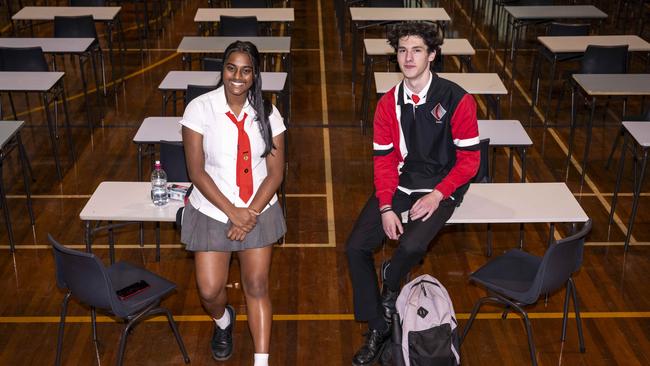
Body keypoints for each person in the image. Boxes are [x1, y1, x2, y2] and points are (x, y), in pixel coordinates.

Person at [346, 22, 480, 365]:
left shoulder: (458, 99)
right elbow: (384, 161)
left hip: (443, 184)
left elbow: (469, 162)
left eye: (417, 50)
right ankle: (379, 325)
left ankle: (391, 280)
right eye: (403, 50)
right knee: (356, 246)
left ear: (432, 55)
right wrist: (387, 205)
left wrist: (438, 194)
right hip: (403, 183)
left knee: (413, 246)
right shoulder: (387, 104)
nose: (408, 57)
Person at [180, 41, 286, 366]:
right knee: (210, 291)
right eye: (231, 68)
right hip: (213, 209)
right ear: (222, 70)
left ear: (254, 76)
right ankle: (223, 320)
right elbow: (196, 172)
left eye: (246, 70)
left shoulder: (268, 113)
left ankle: (261, 361)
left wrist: (250, 213)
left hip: (258, 209)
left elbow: (275, 173)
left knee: (256, 285)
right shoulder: (199, 109)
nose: (237, 76)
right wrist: (233, 213)